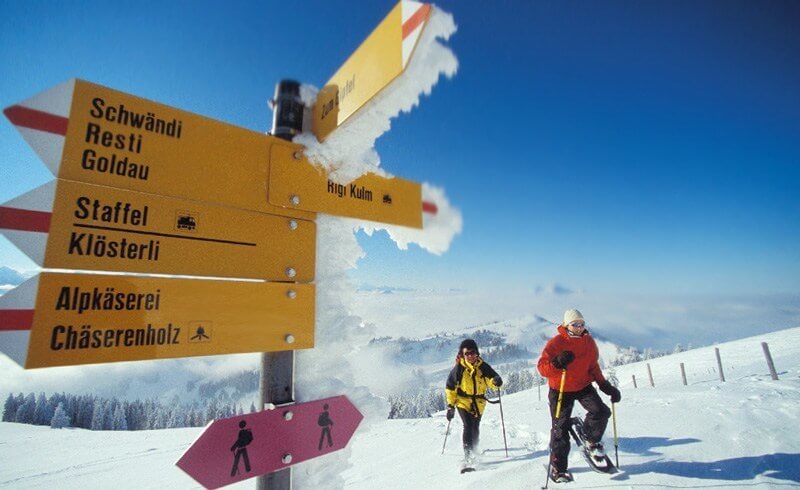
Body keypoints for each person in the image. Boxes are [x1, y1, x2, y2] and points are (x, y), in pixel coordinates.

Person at [537, 309, 621, 483]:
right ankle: (559, 467)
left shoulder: (588, 342)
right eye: (575, 324)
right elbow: (542, 368)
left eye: (582, 324)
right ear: (567, 325)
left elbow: (593, 367)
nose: (579, 327)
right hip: (560, 389)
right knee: (560, 428)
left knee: (601, 412)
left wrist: (606, 386)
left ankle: (591, 440)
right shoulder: (556, 343)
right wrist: (557, 363)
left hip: (583, 385)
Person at [445, 338, 503, 465]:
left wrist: (495, 381)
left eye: (472, 353)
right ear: (462, 355)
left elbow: (491, 380)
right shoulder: (458, 369)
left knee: (475, 426)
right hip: (462, 401)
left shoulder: (483, 367)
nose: (470, 356)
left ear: (477, 353)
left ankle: (475, 448)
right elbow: (450, 388)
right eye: (467, 353)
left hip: (479, 402)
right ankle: (468, 454)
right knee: (468, 425)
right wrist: (450, 406)